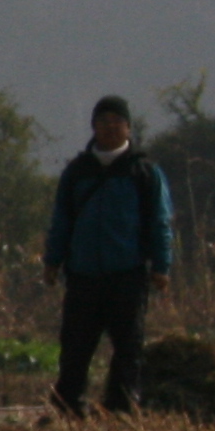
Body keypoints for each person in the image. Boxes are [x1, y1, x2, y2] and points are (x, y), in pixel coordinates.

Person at [46, 94, 174, 413]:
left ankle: (121, 408)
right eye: (103, 122)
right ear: (93, 127)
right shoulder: (77, 172)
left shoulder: (144, 172)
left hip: (128, 274)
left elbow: (160, 222)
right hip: (83, 274)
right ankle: (68, 406)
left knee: (128, 346)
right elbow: (61, 220)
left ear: (129, 128)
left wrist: (162, 266)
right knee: (75, 347)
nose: (110, 127)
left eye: (117, 121)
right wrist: (52, 260)